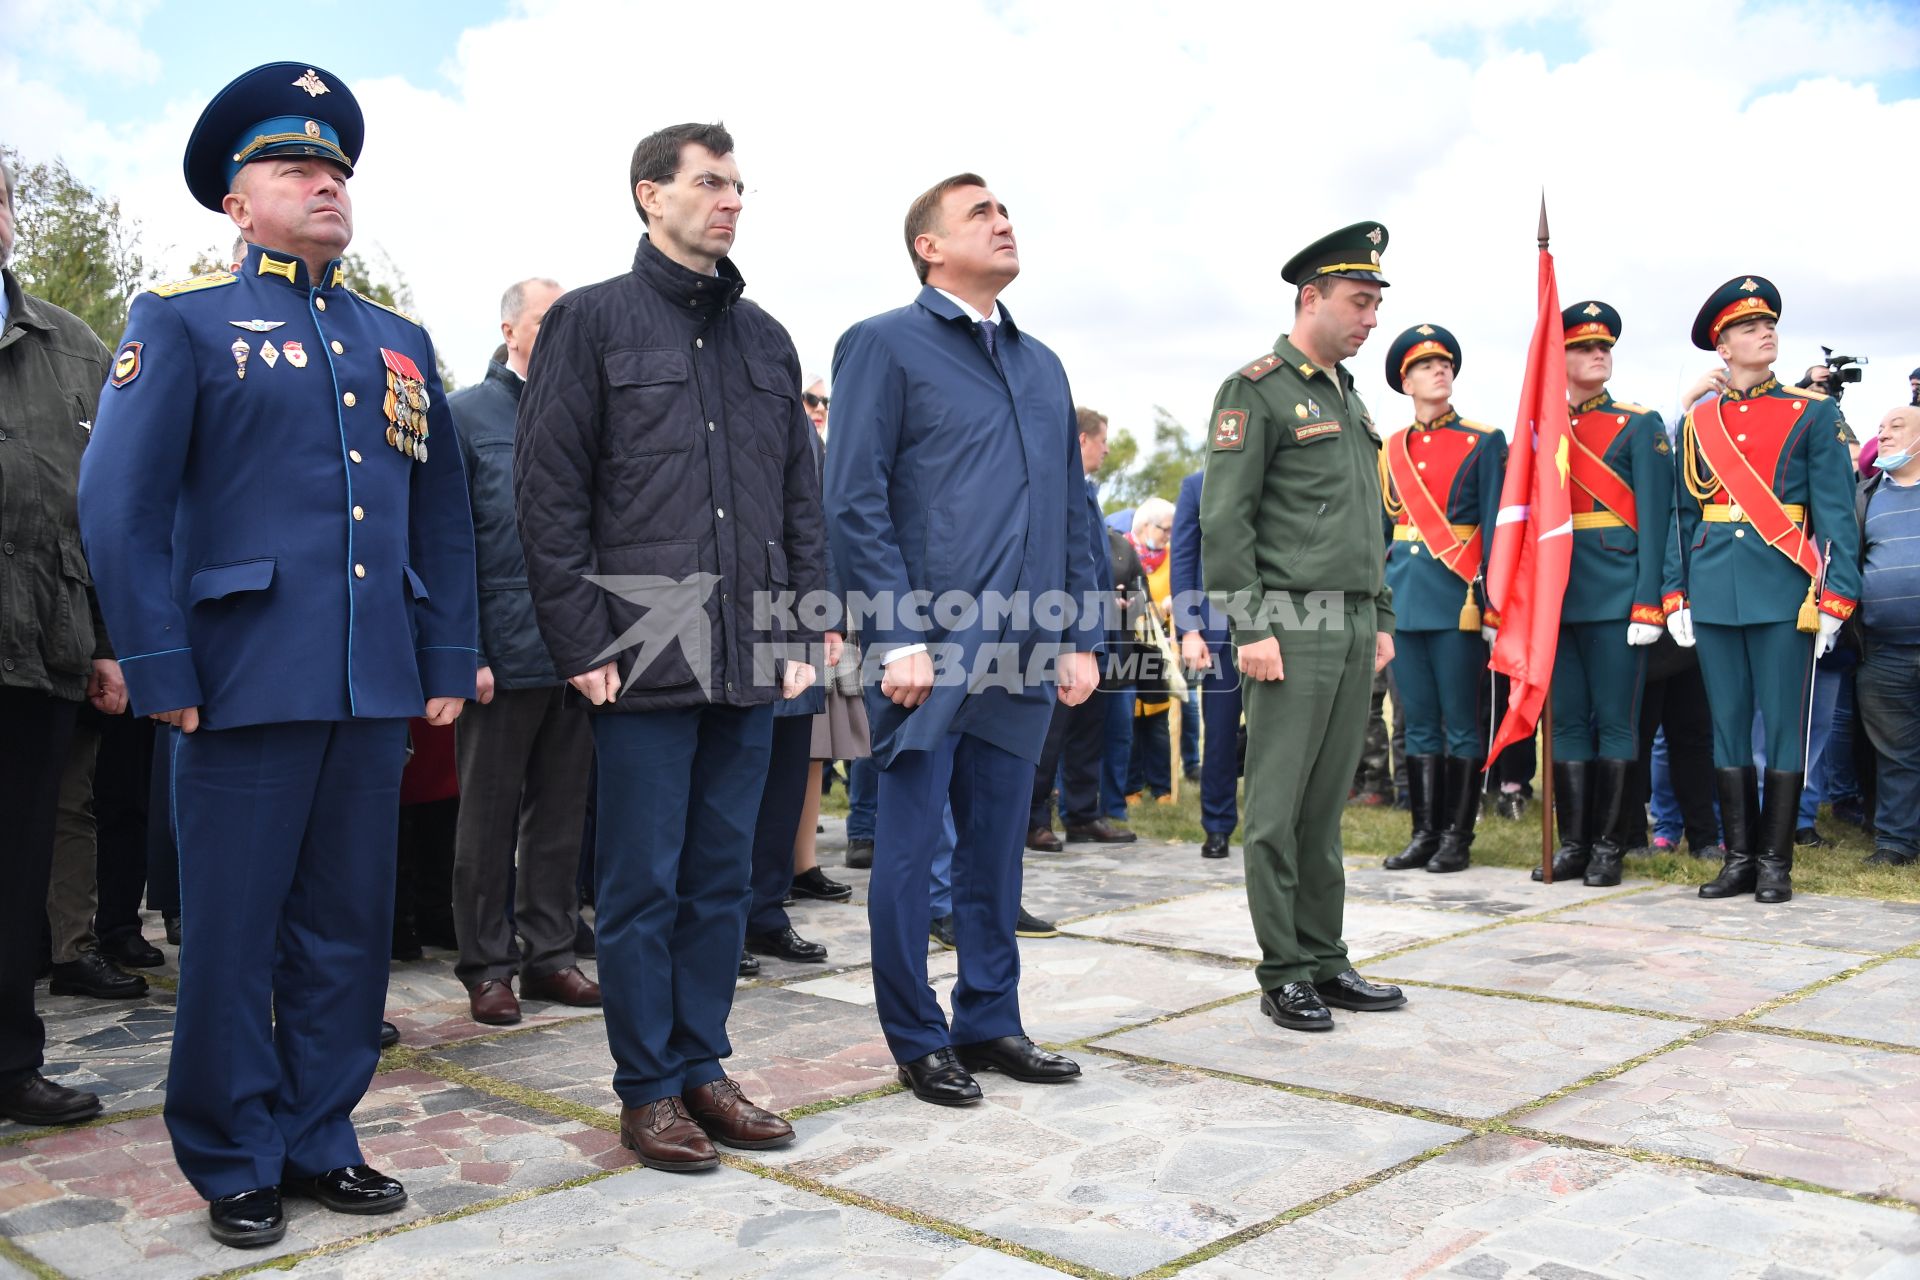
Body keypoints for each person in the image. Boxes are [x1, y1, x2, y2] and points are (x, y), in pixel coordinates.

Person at [77, 63, 479, 1246]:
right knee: (233, 934)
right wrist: (157, 662)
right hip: (239, 681)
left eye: (338, 169)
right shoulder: (184, 319)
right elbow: (118, 504)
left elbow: (443, 511)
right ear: (234, 202)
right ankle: (231, 1149)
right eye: (295, 167)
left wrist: (445, 651)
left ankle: (320, 1133)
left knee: (347, 929)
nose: (325, 182)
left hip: (369, 685)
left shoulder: (394, 338)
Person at [513, 121, 821, 1170]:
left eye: (739, 185)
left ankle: (702, 1064)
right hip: (639, 650)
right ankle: (646, 1086)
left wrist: (799, 625)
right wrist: (579, 637)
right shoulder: (591, 322)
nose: (731, 199)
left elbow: (798, 500)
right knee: (640, 880)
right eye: (710, 182)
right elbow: (548, 492)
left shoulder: (767, 339)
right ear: (651, 195)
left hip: (747, 653)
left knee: (721, 875)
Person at [826, 172, 1102, 1106]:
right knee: (909, 849)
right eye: (980, 212)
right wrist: (894, 632)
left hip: (1026, 644)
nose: (1004, 221)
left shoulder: (1043, 365)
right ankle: (916, 1034)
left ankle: (990, 1017)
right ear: (929, 247)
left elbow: (1071, 512)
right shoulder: (884, 346)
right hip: (927, 648)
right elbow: (853, 500)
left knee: (996, 846)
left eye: (1008, 210)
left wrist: (1077, 632)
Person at [1199, 221, 1406, 1033]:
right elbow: (1226, 520)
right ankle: (1283, 969)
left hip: (1353, 622)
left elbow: (1368, 522)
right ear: (1310, 297)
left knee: (1325, 810)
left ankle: (1325, 956)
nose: (1370, 319)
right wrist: (1250, 624)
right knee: (1279, 810)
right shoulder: (1256, 390)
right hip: (1289, 621)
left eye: (1376, 304)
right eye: (1359, 302)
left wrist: (1382, 614)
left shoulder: (1346, 395)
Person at [1665, 276, 1860, 904]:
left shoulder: (1812, 411)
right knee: (1725, 727)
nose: (1765, 332)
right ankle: (1739, 858)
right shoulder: (1700, 421)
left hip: (1785, 589)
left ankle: (1776, 861)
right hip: (1715, 587)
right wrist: (1677, 593)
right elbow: (1683, 515)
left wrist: (1835, 596)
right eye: (1748, 327)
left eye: (1768, 323)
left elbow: (1835, 515)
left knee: (1781, 727)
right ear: (1722, 347)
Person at [447, 277, 601, 1026]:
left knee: (561, 817)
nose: (562, 331)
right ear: (510, 328)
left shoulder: (586, 415)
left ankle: (550, 956)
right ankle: (487, 966)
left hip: (575, 655)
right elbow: (450, 543)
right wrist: (465, 650)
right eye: (548, 320)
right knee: (487, 819)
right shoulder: (466, 417)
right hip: (498, 657)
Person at [0, 153, 118, 1128]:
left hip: (40, 651)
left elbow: (109, 510)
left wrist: (112, 644)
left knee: (18, 869)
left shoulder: (75, 348)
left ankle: (9, 1062)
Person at [1533, 301, 1671, 887]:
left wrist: (1652, 599)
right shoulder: (1539, 428)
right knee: (1566, 725)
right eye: (1584, 347)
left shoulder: (1639, 424)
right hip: (1558, 597)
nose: (1599, 354)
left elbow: (1659, 521)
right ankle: (1574, 844)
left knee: (1616, 723)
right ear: (1556, 359)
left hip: (1619, 595)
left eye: (1605, 346)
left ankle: (1611, 846)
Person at [1376, 324, 1506, 875]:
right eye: (1426, 366)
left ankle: (1458, 836)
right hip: (1406, 599)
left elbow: (1498, 526)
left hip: (1461, 600)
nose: (1440, 371)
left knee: (1460, 723)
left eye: (1446, 364)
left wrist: (1496, 603)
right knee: (1419, 723)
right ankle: (1423, 833)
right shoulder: (1390, 449)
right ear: (1406, 381)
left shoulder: (1483, 441)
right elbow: (1382, 533)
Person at [1029, 408, 1136, 850]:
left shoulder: (1086, 489)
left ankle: (1082, 812)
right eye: (1101, 439)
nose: (1107, 448)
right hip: (1058, 619)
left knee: (1090, 719)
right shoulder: (1049, 483)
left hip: (1096, 619)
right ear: (1081, 440)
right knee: (1050, 726)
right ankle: (1034, 819)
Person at [1854, 404, 1920, 867]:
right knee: (1895, 752)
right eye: (1881, 428)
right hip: (1883, 649)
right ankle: (1896, 842)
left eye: (1898, 426)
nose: (1886, 434)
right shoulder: (1866, 495)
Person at [1172, 466, 1241, 858]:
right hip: (1217, 633)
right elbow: (1183, 559)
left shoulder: (1276, 475)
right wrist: (1190, 630)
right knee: (1219, 736)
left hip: (1277, 627)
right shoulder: (1197, 485)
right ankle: (1217, 827)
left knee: (1278, 739)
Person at [1126, 498, 1178, 803]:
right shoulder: (1123, 552)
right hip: (1128, 648)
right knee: (1129, 722)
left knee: (1158, 723)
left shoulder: (1173, 558)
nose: (1168, 536)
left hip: (1158, 649)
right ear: (1146, 525)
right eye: (1165, 529)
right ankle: (1130, 786)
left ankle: (1162, 787)